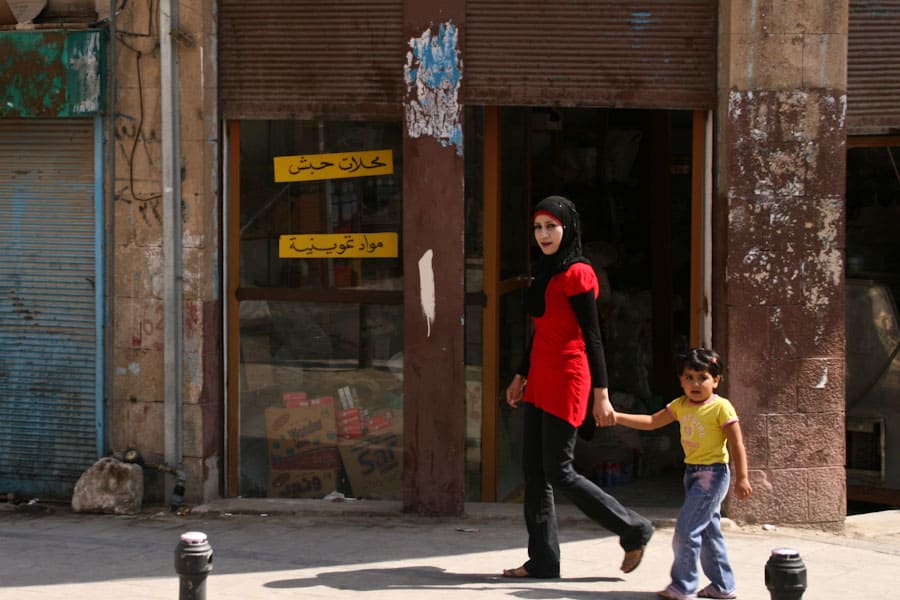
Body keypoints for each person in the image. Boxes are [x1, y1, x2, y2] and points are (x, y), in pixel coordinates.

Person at [503, 195, 654, 579]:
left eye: (551, 226)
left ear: (567, 227)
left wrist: (601, 394)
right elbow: (541, 332)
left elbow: (594, 334)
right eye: (538, 228)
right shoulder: (546, 269)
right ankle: (543, 561)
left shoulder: (578, 273)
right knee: (534, 473)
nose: (543, 234)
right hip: (541, 375)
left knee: (559, 470)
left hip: (570, 376)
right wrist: (521, 374)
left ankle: (632, 527)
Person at [612, 348, 752, 600]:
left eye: (702, 377)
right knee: (709, 532)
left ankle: (683, 586)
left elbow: (737, 444)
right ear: (681, 380)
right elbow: (652, 422)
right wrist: (618, 417)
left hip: (713, 475)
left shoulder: (721, 407)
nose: (695, 383)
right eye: (689, 377)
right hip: (692, 474)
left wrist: (742, 477)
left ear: (716, 381)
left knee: (686, 531)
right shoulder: (680, 405)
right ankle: (723, 586)